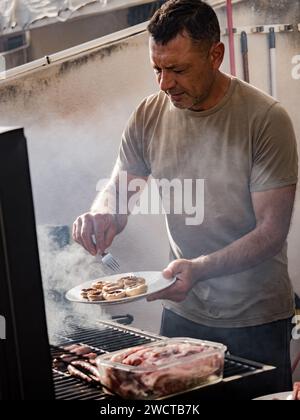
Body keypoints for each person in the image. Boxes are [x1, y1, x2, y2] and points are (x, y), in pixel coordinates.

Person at [73, 0, 298, 392]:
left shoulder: (265, 119)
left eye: (177, 69)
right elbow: (119, 192)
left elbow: (271, 232)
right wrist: (102, 215)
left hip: (254, 317)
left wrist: (199, 269)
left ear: (216, 55)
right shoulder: (149, 115)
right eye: (157, 70)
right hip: (181, 313)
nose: (165, 84)